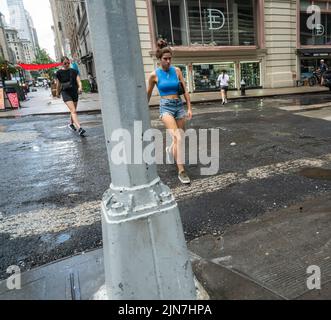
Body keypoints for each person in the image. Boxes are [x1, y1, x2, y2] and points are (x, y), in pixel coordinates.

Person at [147, 39, 193, 184]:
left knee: (179, 138)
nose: (168, 61)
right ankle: (181, 170)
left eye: (170, 58)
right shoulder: (154, 75)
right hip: (165, 107)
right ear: (159, 59)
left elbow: (185, 90)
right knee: (178, 137)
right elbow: (147, 94)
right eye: (165, 59)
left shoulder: (177, 71)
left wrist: (189, 108)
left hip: (179, 106)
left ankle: (170, 150)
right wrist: (143, 110)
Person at [56, 56, 86, 136]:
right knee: (73, 110)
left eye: (68, 63)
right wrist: (57, 93)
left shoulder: (74, 71)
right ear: (62, 63)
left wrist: (80, 87)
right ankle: (79, 128)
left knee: (73, 110)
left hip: (74, 92)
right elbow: (58, 84)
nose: (67, 64)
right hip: (65, 93)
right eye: (65, 63)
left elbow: (79, 81)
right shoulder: (59, 73)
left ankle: (71, 124)